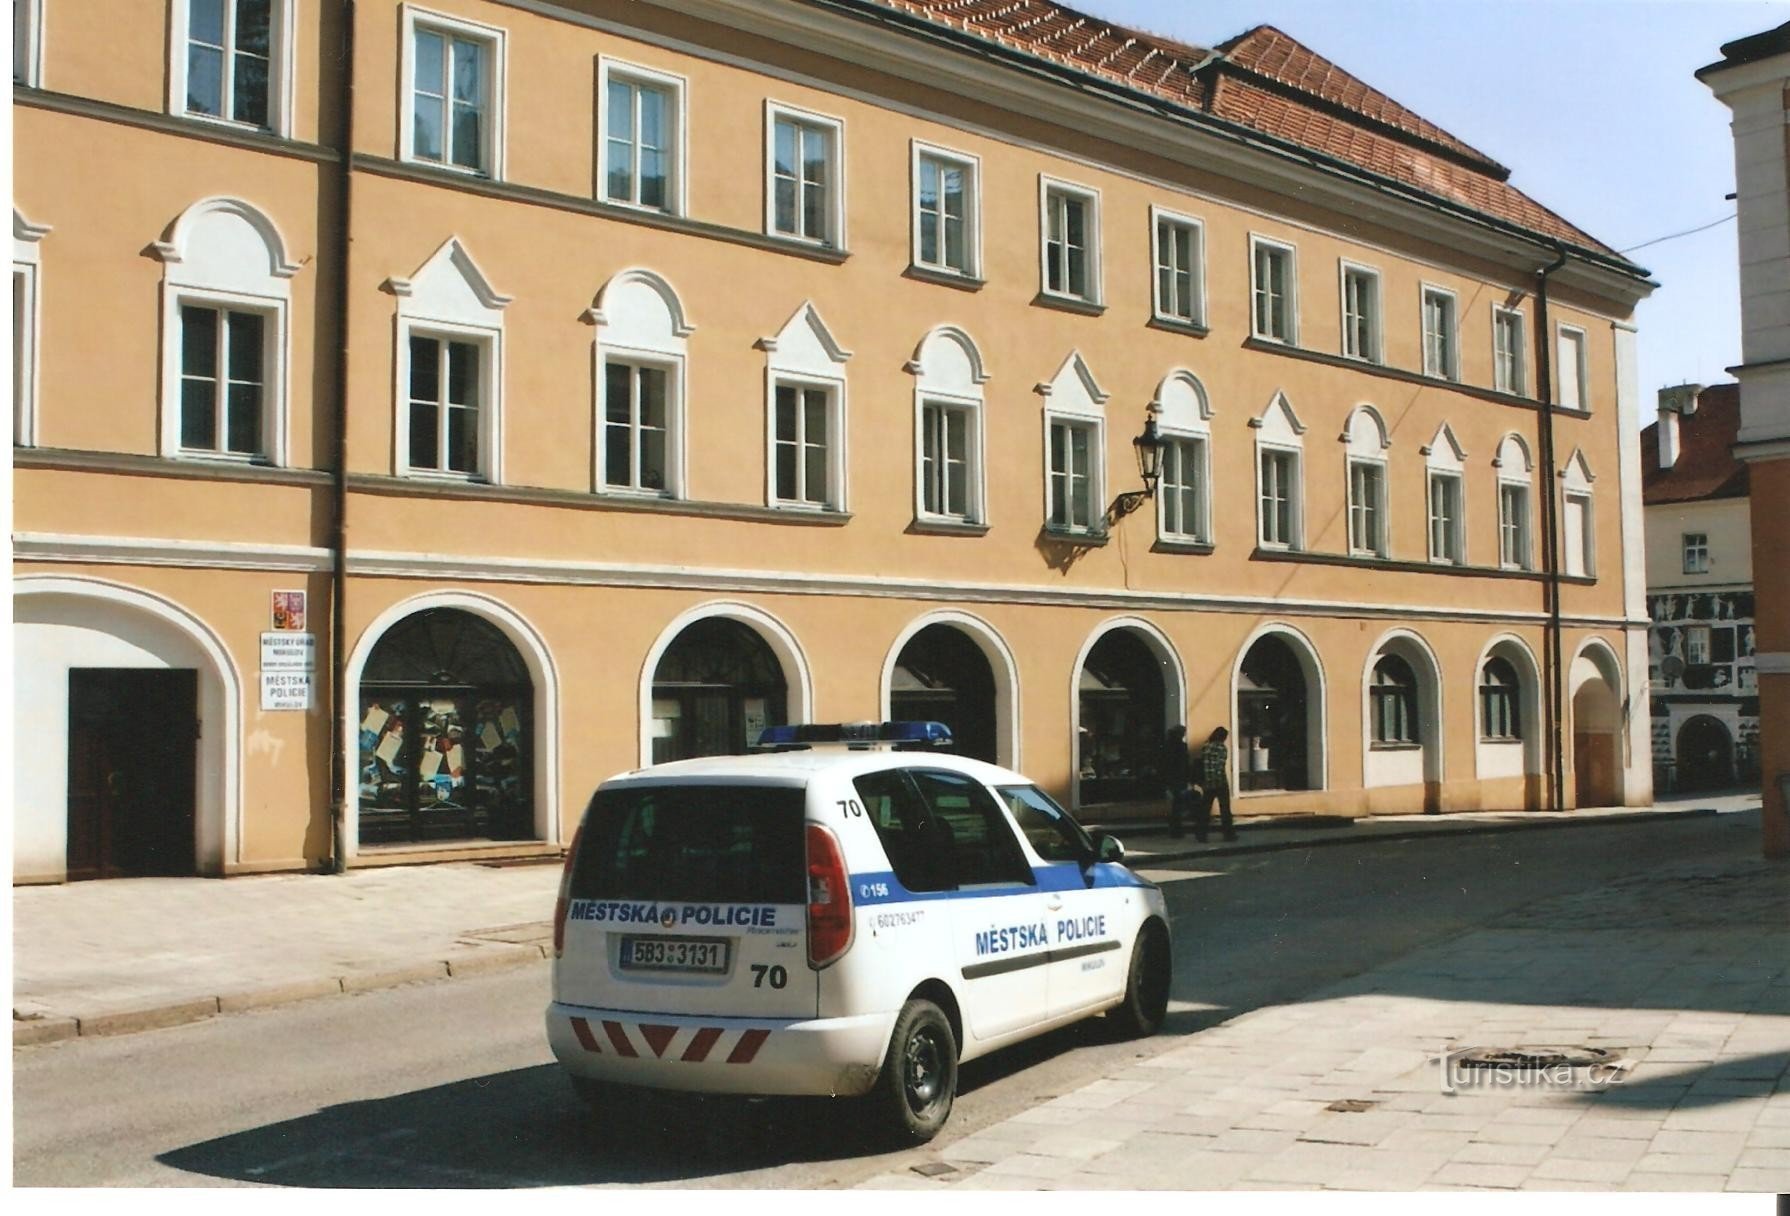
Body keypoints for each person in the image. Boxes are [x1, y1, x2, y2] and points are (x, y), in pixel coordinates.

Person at [1196, 726, 1236, 843]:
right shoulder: (1221, 748)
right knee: (1225, 809)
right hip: (1220, 782)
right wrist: (1218, 780)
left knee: (1205, 810)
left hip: (1207, 783)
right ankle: (1228, 834)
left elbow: (1203, 764)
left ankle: (1201, 835)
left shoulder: (1206, 747)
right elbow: (1219, 766)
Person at [1161, 725, 1193, 838]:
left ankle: (1174, 829)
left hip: (1170, 778)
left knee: (1175, 804)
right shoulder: (1182, 746)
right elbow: (1185, 764)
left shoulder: (1167, 746)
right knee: (1177, 805)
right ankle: (1177, 830)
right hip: (1179, 778)